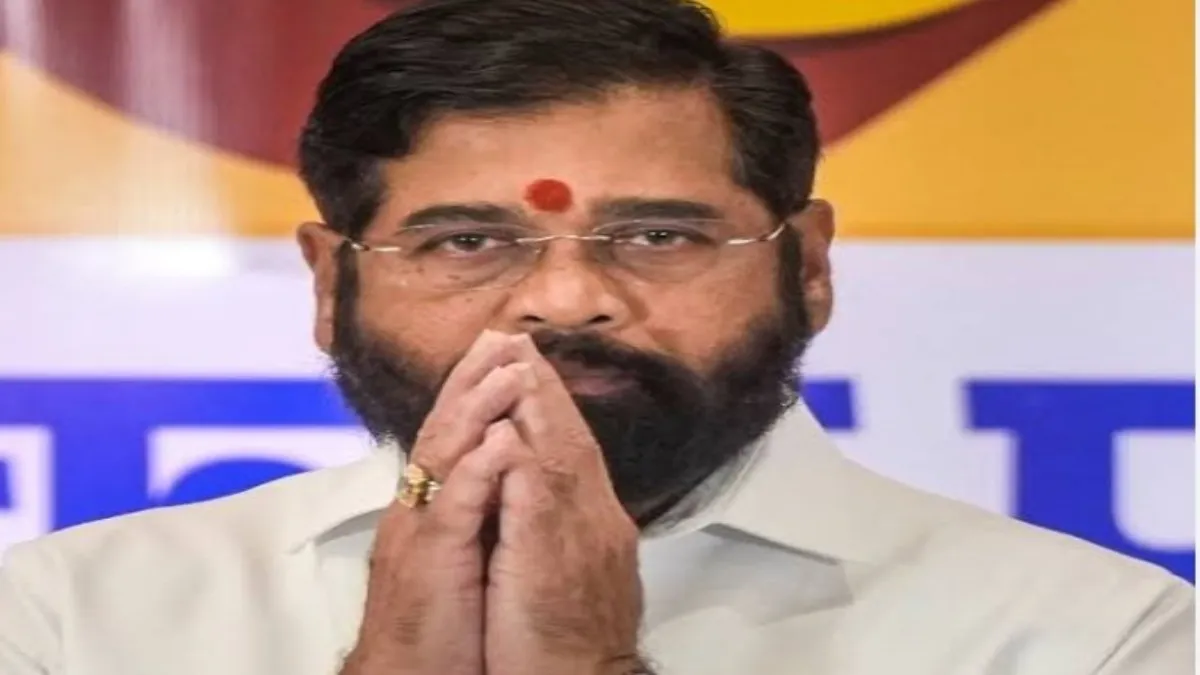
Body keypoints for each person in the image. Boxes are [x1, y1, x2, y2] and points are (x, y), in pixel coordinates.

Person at [0, 0, 1192, 673]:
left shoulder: (1088, 639)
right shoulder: (71, 621)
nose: (566, 303)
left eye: (661, 235)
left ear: (808, 265)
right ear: (329, 281)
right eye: (468, 240)